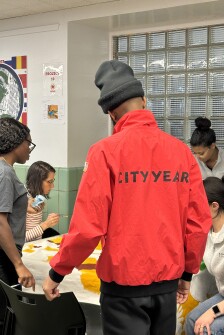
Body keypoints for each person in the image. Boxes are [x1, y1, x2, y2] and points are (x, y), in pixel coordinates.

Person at [42, 60, 212, 335]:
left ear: (111, 114)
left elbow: (87, 228)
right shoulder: (181, 153)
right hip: (167, 284)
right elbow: (198, 222)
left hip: (123, 289)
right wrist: (187, 273)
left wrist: (56, 272)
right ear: (144, 100)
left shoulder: (104, 152)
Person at [0, 117, 35, 334]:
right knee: (6, 316)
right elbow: (0, 222)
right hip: (4, 257)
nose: (29, 149)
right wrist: (18, 264)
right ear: (15, 143)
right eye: (28, 143)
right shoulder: (4, 174)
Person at [185, 176, 224, 335]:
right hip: (222, 296)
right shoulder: (209, 231)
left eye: (198, 205)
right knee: (191, 320)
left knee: (207, 329)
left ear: (214, 206)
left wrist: (212, 312)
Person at [25, 161, 60, 242]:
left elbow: (34, 230)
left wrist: (47, 224)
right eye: (49, 182)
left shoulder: (37, 197)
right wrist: (46, 224)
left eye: (53, 181)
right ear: (37, 181)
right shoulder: (23, 200)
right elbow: (18, 240)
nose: (53, 186)